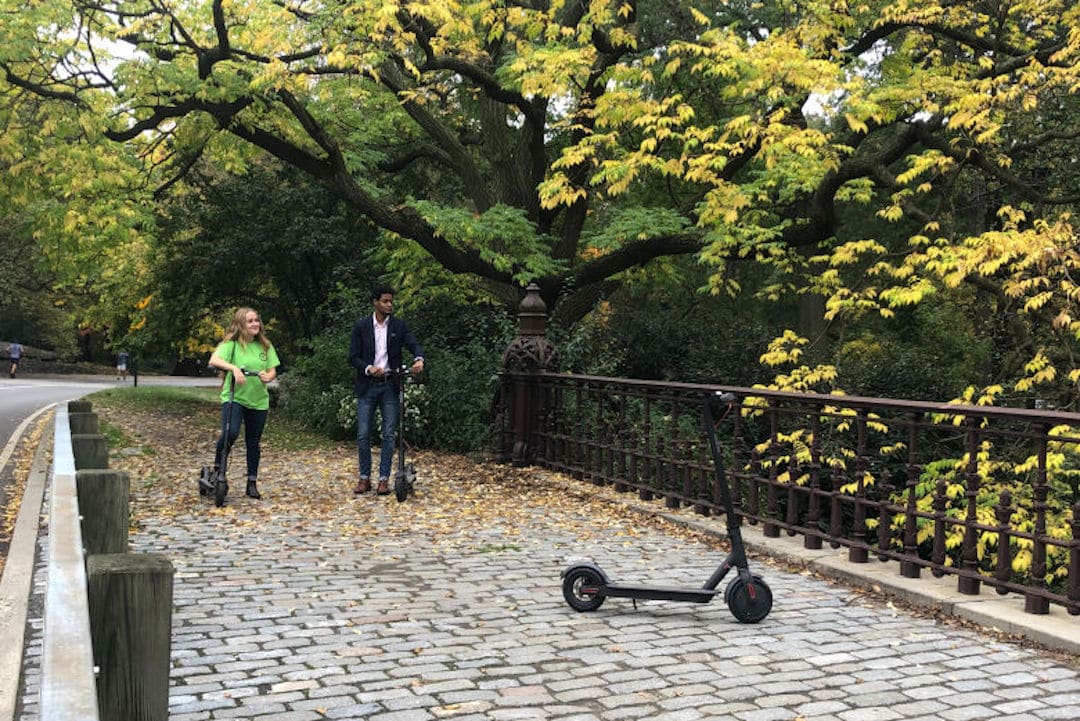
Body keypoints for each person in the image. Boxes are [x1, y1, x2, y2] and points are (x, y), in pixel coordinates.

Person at [349, 285, 424, 496]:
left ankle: (384, 479)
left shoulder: (398, 326)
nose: (389, 305)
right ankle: (364, 477)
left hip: (390, 384)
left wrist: (419, 358)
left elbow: (413, 343)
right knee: (363, 433)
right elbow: (353, 356)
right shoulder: (362, 326)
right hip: (368, 385)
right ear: (375, 302)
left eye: (391, 301)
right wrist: (368, 368)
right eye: (385, 301)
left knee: (389, 434)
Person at [207, 308, 280, 500]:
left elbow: (273, 370)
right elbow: (214, 360)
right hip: (235, 397)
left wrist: (268, 377)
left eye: (257, 320)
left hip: (258, 400)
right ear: (241, 325)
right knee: (230, 433)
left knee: (253, 442)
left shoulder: (265, 346)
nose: (255, 324)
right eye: (250, 321)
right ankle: (218, 470)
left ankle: (252, 482)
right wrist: (234, 368)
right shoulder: (231, 345)